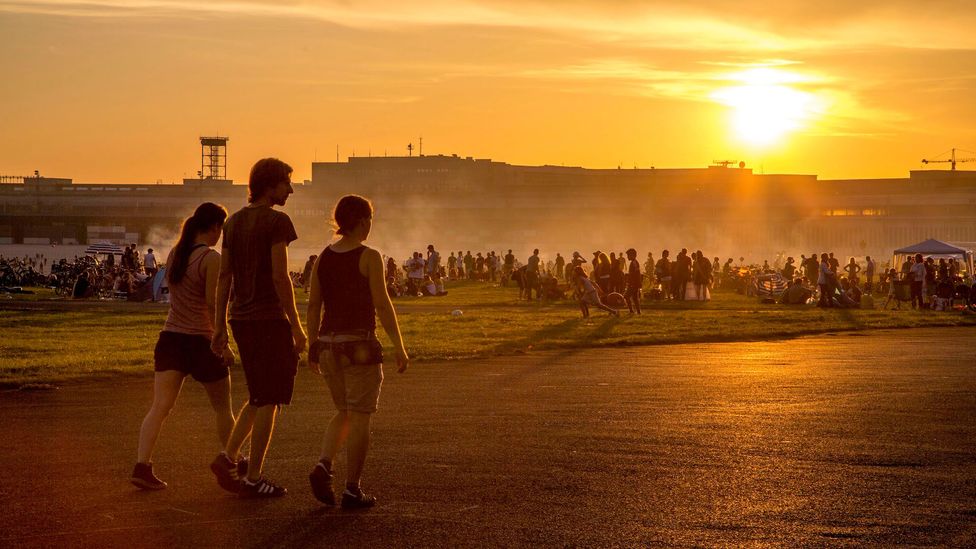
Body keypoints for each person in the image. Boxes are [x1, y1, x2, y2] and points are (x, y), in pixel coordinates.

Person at [210, 157, 306, 498]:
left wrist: (219, 325)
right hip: (268, 318)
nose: (291, 190)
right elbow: (281, 277)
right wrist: (296, 325)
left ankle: (228, 457)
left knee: (258, 394)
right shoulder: (277, 222)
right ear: (271, 185)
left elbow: (224, 277)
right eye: (286, 184)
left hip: (241, 317)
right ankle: (253, 477)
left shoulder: (233, 223)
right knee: (271, 399)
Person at [306, 195, 409, 509]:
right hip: (359, 346)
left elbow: (313, 305)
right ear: (363, 221)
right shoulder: (370, 256)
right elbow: (381, 304)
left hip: (329, 346)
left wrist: (313, 345)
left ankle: (325, 463)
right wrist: (399, 346)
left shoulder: (323, 256)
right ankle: (352, 487)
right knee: (361, 416)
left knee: (345, 412)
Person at [131, 203, 238, 490]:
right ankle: (235, 461)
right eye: (221, 229)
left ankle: (142, 465)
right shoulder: (210, 258)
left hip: (172, 338)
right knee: (222, 408)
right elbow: (215, 304)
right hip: (202, 340)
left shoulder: (176, 254)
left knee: (160, 407)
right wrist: (223, 342)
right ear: (215, 227)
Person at [624, 248, 642, 314]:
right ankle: (638, 311)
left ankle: (631, 311)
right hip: (634, 283)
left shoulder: (634, 262)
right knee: (635, 298)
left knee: (626, 296)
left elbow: (636, 274)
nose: (627, 257)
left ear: (633, 255)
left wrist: (632, 282)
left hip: (633, 284)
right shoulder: (634, 262)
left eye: (628, 255)